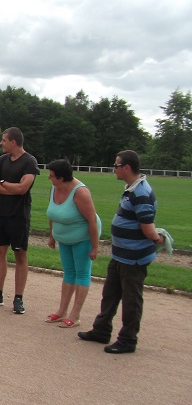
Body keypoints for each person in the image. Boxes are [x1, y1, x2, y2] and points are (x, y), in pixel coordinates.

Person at [78, 150, 164, 354]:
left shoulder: (141, 193)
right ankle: (101, 330)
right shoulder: (131, 189)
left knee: (131, 299)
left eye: (116, 165)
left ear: (126, 167)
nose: (114, 169)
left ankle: (127, 339)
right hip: (120, 255)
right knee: (110, 294)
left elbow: (147, 228)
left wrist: (158, 239)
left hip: (133, 258)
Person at [0, 127, 39, 313]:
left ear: (13, 142)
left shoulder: (29, 162)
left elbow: (22, 189)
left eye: (4, 140)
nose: (1, 143)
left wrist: (3, 184)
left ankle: (18, 298)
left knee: (20, 255)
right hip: (1, 213)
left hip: (19, 215)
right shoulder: (3, 160)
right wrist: (9, 186)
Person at [44, 159, 101, 328]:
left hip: (82, 239)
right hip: (65, 239)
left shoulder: (81, 192)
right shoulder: (55, 187)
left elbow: (92, 221)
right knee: (68, 272)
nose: (49, 178)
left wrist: (95, 246)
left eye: (52, 176)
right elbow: (52, 213)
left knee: (82, 273)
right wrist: (52, 236)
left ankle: (75, 315)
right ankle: (62, 311)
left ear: (61, 178)